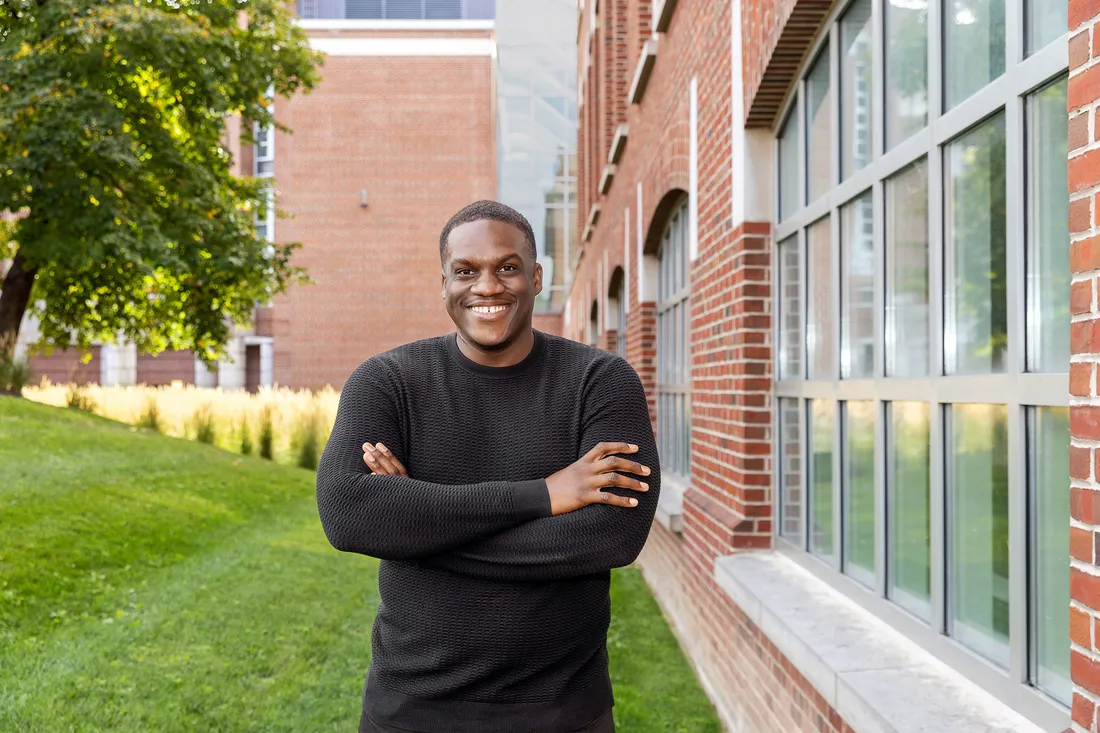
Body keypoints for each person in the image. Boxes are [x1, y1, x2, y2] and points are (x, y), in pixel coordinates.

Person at [316, 200, 661, 733]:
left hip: (562, 711)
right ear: (445, 284)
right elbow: (347, 516)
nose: (487, 287)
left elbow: (611, 537)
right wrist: (543, 496)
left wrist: (420, 527)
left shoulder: (600, 381)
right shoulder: (387, 381)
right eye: (465, 271)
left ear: (536, 276)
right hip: (411, 710)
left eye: (506, 267)